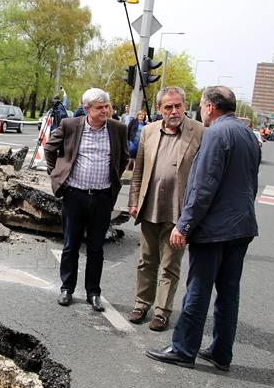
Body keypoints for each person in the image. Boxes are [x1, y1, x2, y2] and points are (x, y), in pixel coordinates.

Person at [146, 86, 259, 369]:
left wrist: (183, 224)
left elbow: (202, 186)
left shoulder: (216, 134)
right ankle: (222, 352)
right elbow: (250, 183)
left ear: (209, 107)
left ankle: (183, 349)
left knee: (198, 289)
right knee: (229, 292)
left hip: (214, 230)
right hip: (242, 226)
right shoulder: (247, 134)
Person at [44, 88, 129, 311]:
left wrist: (113, 179)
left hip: (102, 198)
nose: (106, 110)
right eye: (100, 107)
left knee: (96, 248)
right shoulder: (71, 125)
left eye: (107, 106)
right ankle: (67, 289)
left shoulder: (118, 128)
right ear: (88, 108)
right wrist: (56, 173)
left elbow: (124, 159)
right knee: (71, 245)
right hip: (75, 196)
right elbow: (50, 148)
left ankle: (93, 292)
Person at [127, 87, 205, 331]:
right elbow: (138, 169)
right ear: (159, 109)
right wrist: (133, 200)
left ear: (184, 106)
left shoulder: (199, 132)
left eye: (178, 106)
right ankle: (142, 303)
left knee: (170, 264)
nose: (174, 111)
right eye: (168, 107)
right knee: (146, 261)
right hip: (149, 206)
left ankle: (162, 311)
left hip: (178, 211)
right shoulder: (149, 131)